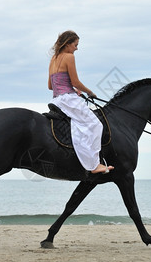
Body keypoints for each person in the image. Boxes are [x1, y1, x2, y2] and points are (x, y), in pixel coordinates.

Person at [48, 30, 114, 174]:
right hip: (68, 100)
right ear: (67, 44)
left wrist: (71, 88)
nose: (77, 48)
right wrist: (89, 92)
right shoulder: (69, 57)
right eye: (75, 45)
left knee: (80, 125)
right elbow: (76, 82)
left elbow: (50, 86)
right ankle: (94, 165)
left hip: (57, 100)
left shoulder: (53, 58)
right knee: (96, 125)